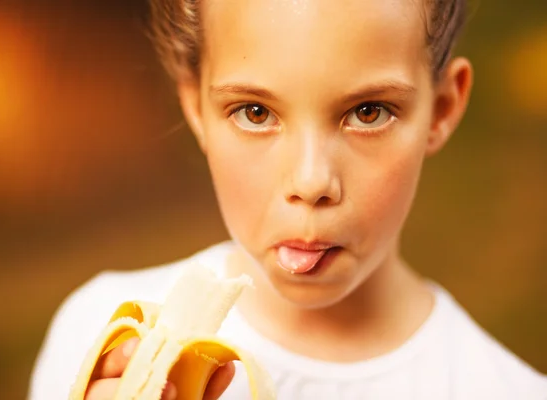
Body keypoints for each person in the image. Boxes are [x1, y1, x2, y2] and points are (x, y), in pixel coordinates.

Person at [28, 0, 547, 399]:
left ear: (441, 108)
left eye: (368, 112)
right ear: (196, 109)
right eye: (254, 112)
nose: (310, 181)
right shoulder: (99, 338)